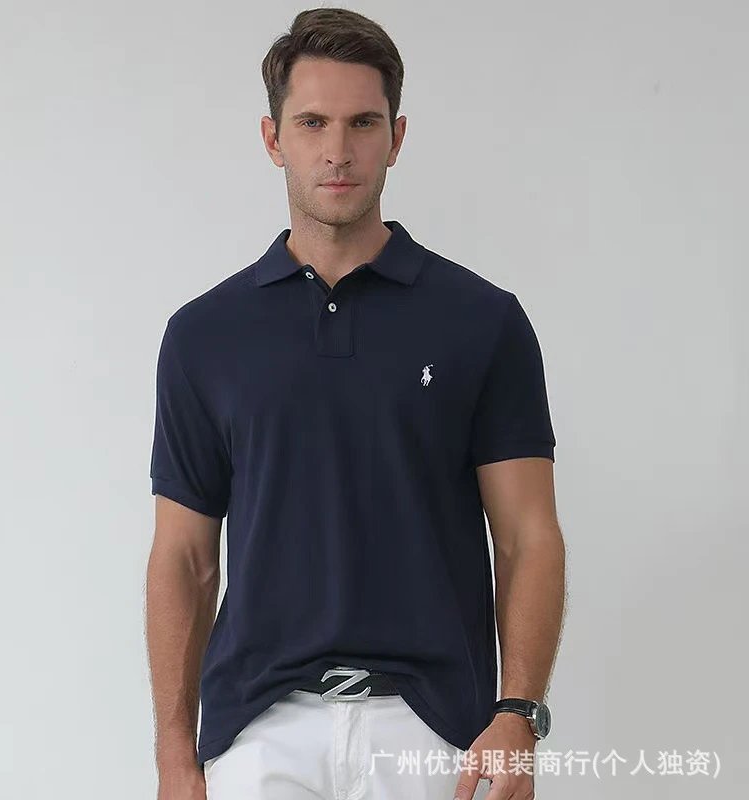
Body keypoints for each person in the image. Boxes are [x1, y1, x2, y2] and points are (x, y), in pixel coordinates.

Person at [145, 7, 566, 800]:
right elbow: (184, 558)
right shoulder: (205, 335)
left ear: (396, 137)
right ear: (273, 139)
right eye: (312, 123)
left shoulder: (483, 321)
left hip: (434, 730)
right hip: (259, 733)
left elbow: (526, 537)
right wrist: (175, 750)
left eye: (363, 123)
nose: (337, 150)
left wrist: (518, 714)